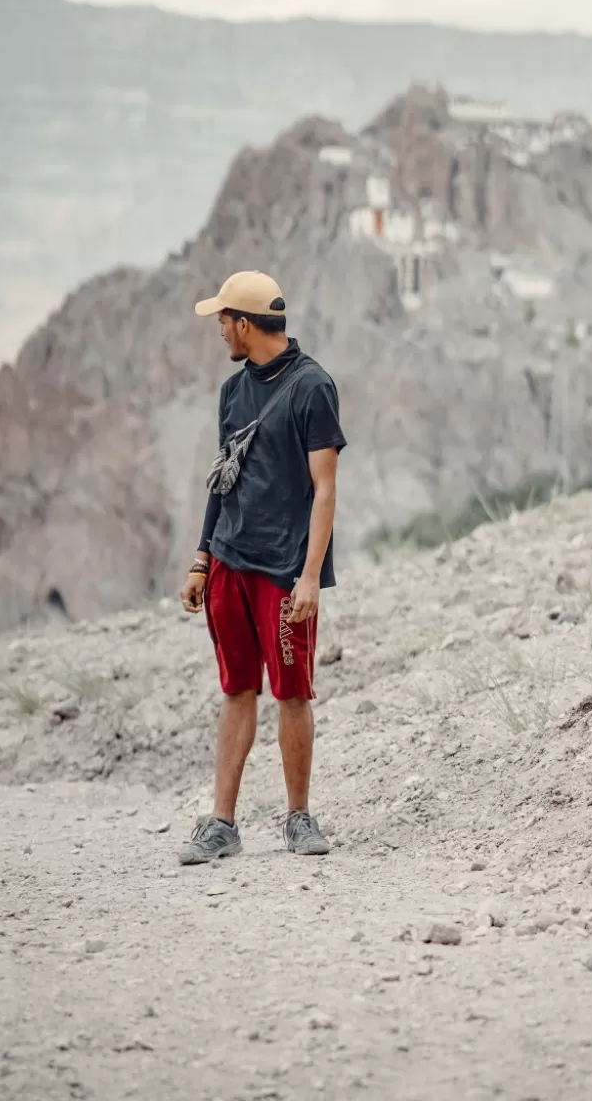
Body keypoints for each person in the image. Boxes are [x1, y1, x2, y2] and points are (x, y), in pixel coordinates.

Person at [178, 270, 346, 865]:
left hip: (282, 574)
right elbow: (222, 478)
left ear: (245, 324)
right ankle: (222, 822)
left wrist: (309, 577)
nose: (220, 329)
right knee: (237, 690)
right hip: (228, 563)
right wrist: (202, 558)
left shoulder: (312, 388)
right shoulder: (231, 392)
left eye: (223, 319)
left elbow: (324, 491)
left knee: (292, 694)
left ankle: (299, 818)